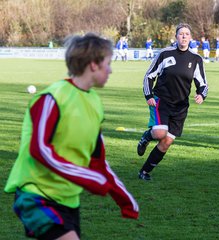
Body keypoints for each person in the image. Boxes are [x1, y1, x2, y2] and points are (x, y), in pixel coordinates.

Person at [4, 33, 139, 240]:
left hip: (68, 200)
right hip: (35, 194)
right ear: (93, 64)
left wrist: (123, 197)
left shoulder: (95, 103)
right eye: (108, 63)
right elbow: (39, 149)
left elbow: (97, 160)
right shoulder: (52, 98)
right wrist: (88, 178)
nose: (111, 69)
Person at [137, 23, 208, 180]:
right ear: (176, 37)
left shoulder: (196, 59)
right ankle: (146, 137)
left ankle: (144, 172)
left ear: (190, 38)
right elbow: (149, 76)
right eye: (181, 33)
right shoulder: (165, 54)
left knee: (166, 142)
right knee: (160, 133)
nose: (184, 36)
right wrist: (148, 96)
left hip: (181, 107)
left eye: (186, 34)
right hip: (162, 101)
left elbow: (202, 83)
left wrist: (201, 94)